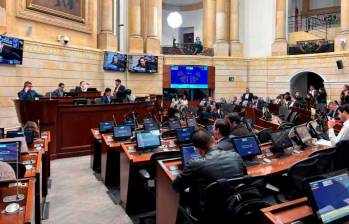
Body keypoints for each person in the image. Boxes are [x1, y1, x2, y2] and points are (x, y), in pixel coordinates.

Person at [172, 128, 246, 219]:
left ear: (197, 150)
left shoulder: (194, 164)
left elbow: (176, 187)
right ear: (214, 139)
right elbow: (244, 178)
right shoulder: (236, 156)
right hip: (237, 207)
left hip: (210, 214)